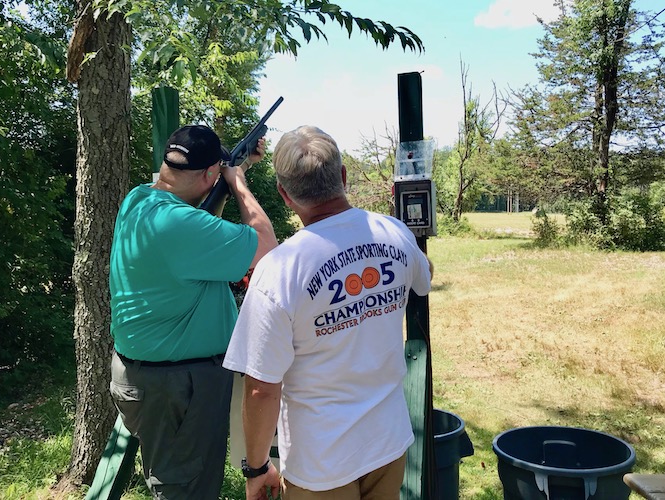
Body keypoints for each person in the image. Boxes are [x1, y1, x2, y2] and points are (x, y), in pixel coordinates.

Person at [223, 125, 433, 500]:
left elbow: (260, 388)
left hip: (322, 463)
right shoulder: (394, 232)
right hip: (388, 443)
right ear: (343, 177)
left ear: (285, 195)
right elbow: (424, 278)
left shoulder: (280, 271)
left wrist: (255, 467)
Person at [108, 124, 278, 500]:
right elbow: (266, 245)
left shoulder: (138, 200)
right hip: (178, 388)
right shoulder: (181, 224)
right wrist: (237, 184)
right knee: (186, 490)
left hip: (146, 379)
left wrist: (234, 168)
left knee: (175, 482)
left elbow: (198, 221)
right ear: (208, 175)